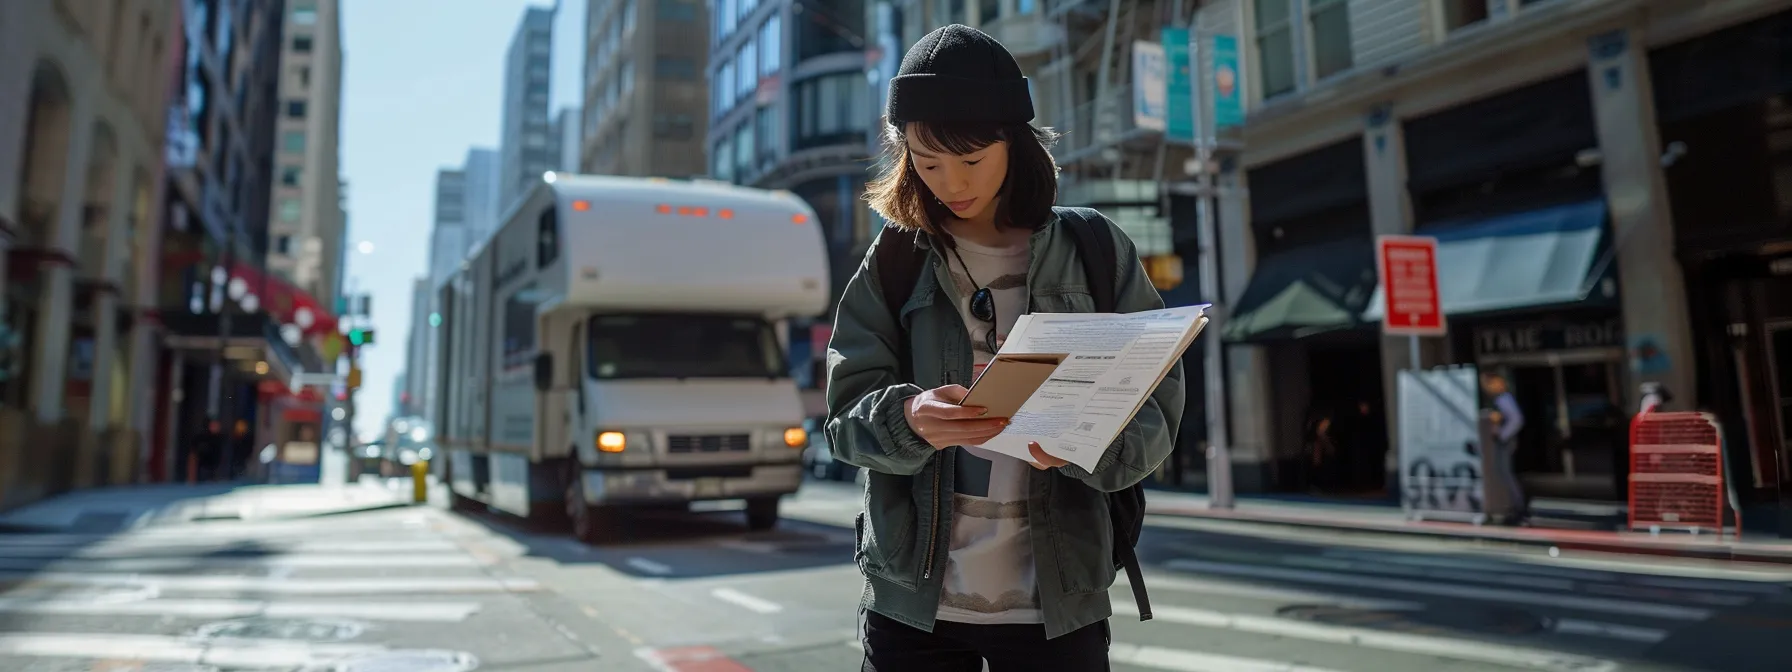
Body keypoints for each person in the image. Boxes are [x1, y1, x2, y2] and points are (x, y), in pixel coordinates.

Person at [825, 24, 1184, 671]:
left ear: (1014, 144)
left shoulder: (1096, 250)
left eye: (970, 159)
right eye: (927, 162)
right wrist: (907, 420)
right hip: (914, 603)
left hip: (1057, 602)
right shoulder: (897, 257)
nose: (949, 182)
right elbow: (844, 422)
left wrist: (1085, 439)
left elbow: (1157, 408)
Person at [1481, 371, 1527, 524]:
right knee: (1503, 474)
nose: (1486, 387)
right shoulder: (1498, 400)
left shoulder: (1503, 399)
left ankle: (1518, 509)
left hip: (1505, 442)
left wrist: (1502, 435)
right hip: (1503, 441)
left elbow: (1517, 419)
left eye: (1488, 383)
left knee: (1506, 475)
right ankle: (1513, 508)